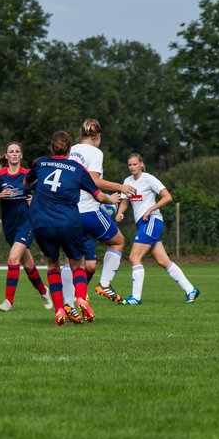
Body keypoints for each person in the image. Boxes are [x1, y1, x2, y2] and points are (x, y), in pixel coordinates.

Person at [27, 130, 122, 326]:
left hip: (42, 222)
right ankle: (80, 298)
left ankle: (60, 309)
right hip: (69, 222)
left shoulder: (40, 163)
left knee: (52, 265)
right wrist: (111, 198)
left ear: (51, 148)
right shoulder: (78, 169)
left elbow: (26, 182)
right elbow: (98, 195)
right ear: (70, 150)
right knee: (76, 264)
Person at [113, 152, 199, 305]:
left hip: (152, 220)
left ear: (141, 164)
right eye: (129, 164)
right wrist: (120, 213)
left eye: (134, 164)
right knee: (162, 260)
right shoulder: (127, 181)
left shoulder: (149, 179)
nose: (132, 167)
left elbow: (167, 197)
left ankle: (136, 297)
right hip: (143, 224)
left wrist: (150, 210)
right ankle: (190, 289)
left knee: (134, 257)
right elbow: (125, 201)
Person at [68, 118, 135, 303]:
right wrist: (120, 187)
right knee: (118, 242)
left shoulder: (70, 150)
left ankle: (69, 302)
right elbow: (94, 180)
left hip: (68, 212)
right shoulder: (95, 152)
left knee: (73, 260)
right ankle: (104, 284)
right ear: (98, 136)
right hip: (88, 210)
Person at [0, 142, 53, 312]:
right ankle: (44, 291)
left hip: (27, 223)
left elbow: (44, 193)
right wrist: (0, 195)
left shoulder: (28, 175)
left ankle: (8, 301)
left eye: (17, 151)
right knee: (29, 266)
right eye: (11, 152)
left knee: (13, 258)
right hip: (9, 226)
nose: (14, 154)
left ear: (21, 155)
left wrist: (35, 201)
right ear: (6, 155)